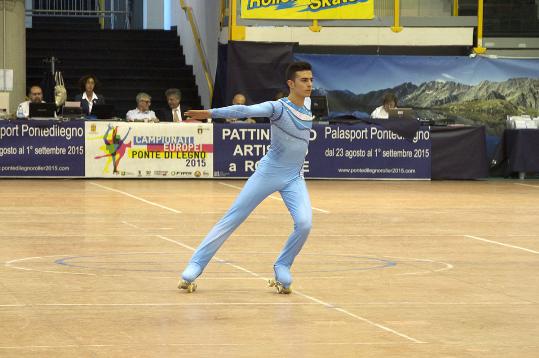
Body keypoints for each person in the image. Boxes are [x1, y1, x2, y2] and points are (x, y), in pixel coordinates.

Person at [179, 61, 314, 294]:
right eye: (304, 80)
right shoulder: (278, 108)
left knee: (304, 224)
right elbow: (243, 111)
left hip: (294, 177)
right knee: (233, 217)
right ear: (291, 83)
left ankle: (282, 264)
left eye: (311, 80)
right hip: (268, 173)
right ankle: (195, 265)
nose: (309, 84)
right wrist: (210, 113)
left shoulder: (309, 103)